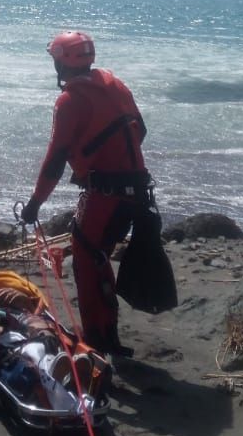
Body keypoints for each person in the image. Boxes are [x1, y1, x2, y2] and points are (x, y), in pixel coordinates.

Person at [18, 31, 150, 357]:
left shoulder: (70, 100)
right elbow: (140, 130)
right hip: (137, 191)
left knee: (87, 263)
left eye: (55, 60)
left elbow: (55, 159)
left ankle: (98, 341)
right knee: (98, 256)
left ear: (63, 62)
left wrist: (35, 203)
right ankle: (107, 333)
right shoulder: (115, 85)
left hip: (105, 194)